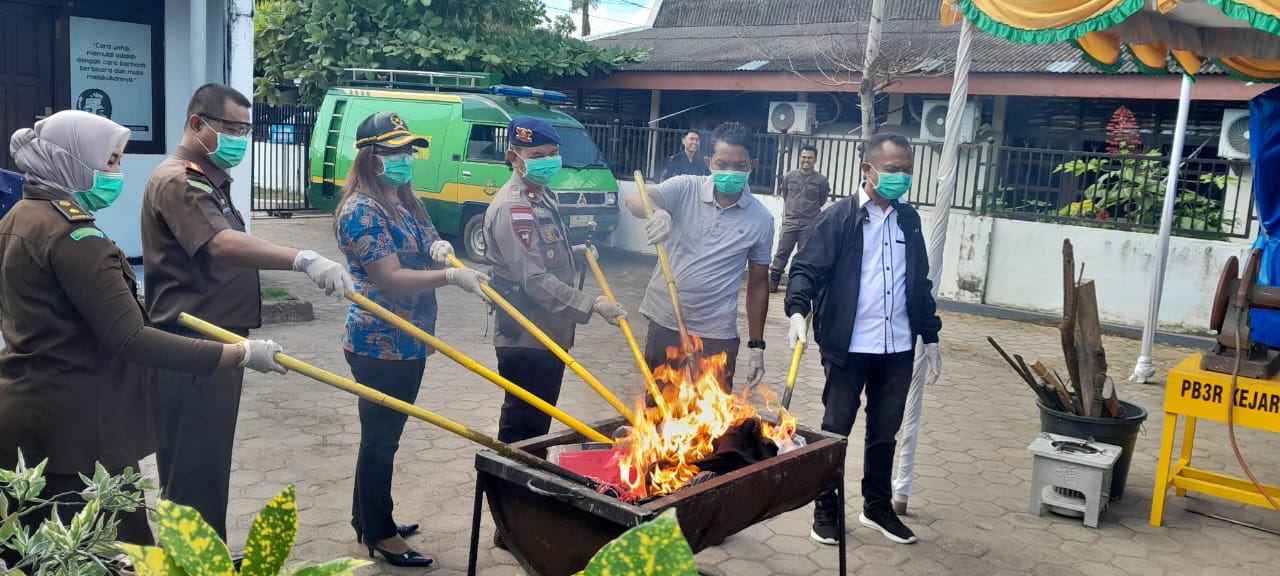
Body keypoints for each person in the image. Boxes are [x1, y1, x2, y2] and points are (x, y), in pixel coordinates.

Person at [0, 110, 286, 555]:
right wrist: (237, 354)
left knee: (42, 554)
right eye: (110, 161)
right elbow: (130, 338)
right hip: (80, 432)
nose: (118, 173)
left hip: (29, 417)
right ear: (72, 161)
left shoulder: (19, 216)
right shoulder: (77, 240)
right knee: (123, 555)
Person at [140, 83, 354, 543]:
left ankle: (206, 557)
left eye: (246, 129)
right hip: (190, 343)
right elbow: (220, 243)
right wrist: (302, 258)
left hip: (216, 340)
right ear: (197, 124)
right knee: (192, 467)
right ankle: (189, 565)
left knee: (208, 464)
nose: (240, 137)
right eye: (232, 128)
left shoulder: (207, 177)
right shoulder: (180, 180)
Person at [334, 111, 489, 567]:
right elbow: (391, 277)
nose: (405, 159)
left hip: (410, 340)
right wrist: (449, 276)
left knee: (384, 438)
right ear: (370, 157)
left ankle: (368, 516)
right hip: (379, 342)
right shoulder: (360, 209)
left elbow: (426, 240)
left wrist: (440, 248)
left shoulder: (403, 198)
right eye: (394, 151)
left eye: (408, 150)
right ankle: (380, 534)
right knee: (380, 440)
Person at [784, 133, 942, 547]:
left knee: (885, 432)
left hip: (897, 347)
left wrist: (931, 334)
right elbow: (806, 268)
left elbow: (919, 281)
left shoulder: (909, 219)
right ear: (867, 169)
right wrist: (797, 310)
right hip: (848, 346)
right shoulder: (840, 218)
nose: (901, 177)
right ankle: (826, 510)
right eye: (892, 170)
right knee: (836, 430)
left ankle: (877, 507)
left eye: (907, 169)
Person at [484, 116, 627, 446]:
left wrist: (573, 251)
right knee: (523, 429)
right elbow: (533, 279)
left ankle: (525, 489)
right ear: (513, 158)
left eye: (551, 154)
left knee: (539, 423)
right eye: (536, 157)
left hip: (549, 331)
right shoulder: (513, 207)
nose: (547, 162)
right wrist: (591, 304)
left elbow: (540, 252)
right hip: (526, 334)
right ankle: (507, 495)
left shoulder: (540, 195)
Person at [628, 121, 774, 391]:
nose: (730, 172)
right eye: (722, 164)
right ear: (709, 162)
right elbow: (634, 200)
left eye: (739, 166)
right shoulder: (686, 187)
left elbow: (757, 286)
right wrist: (657, 212)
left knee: (711, 420)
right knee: (658, 408)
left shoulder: (761, 219)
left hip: (717, 333)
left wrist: (757, 346)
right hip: (667, 319)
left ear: (752, 164)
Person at [770, 144, 830, 293]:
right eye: (804, 157)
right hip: (790, 220)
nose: (806, 160)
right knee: (782, 252)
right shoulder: (789, 176)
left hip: (809, 223)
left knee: (804, 255)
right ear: (799, 158)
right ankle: (773, 282)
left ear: (815, 160)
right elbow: (785, 195)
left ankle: (797, 286)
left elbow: (822, 200)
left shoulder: (821, 180)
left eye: (810, 158)